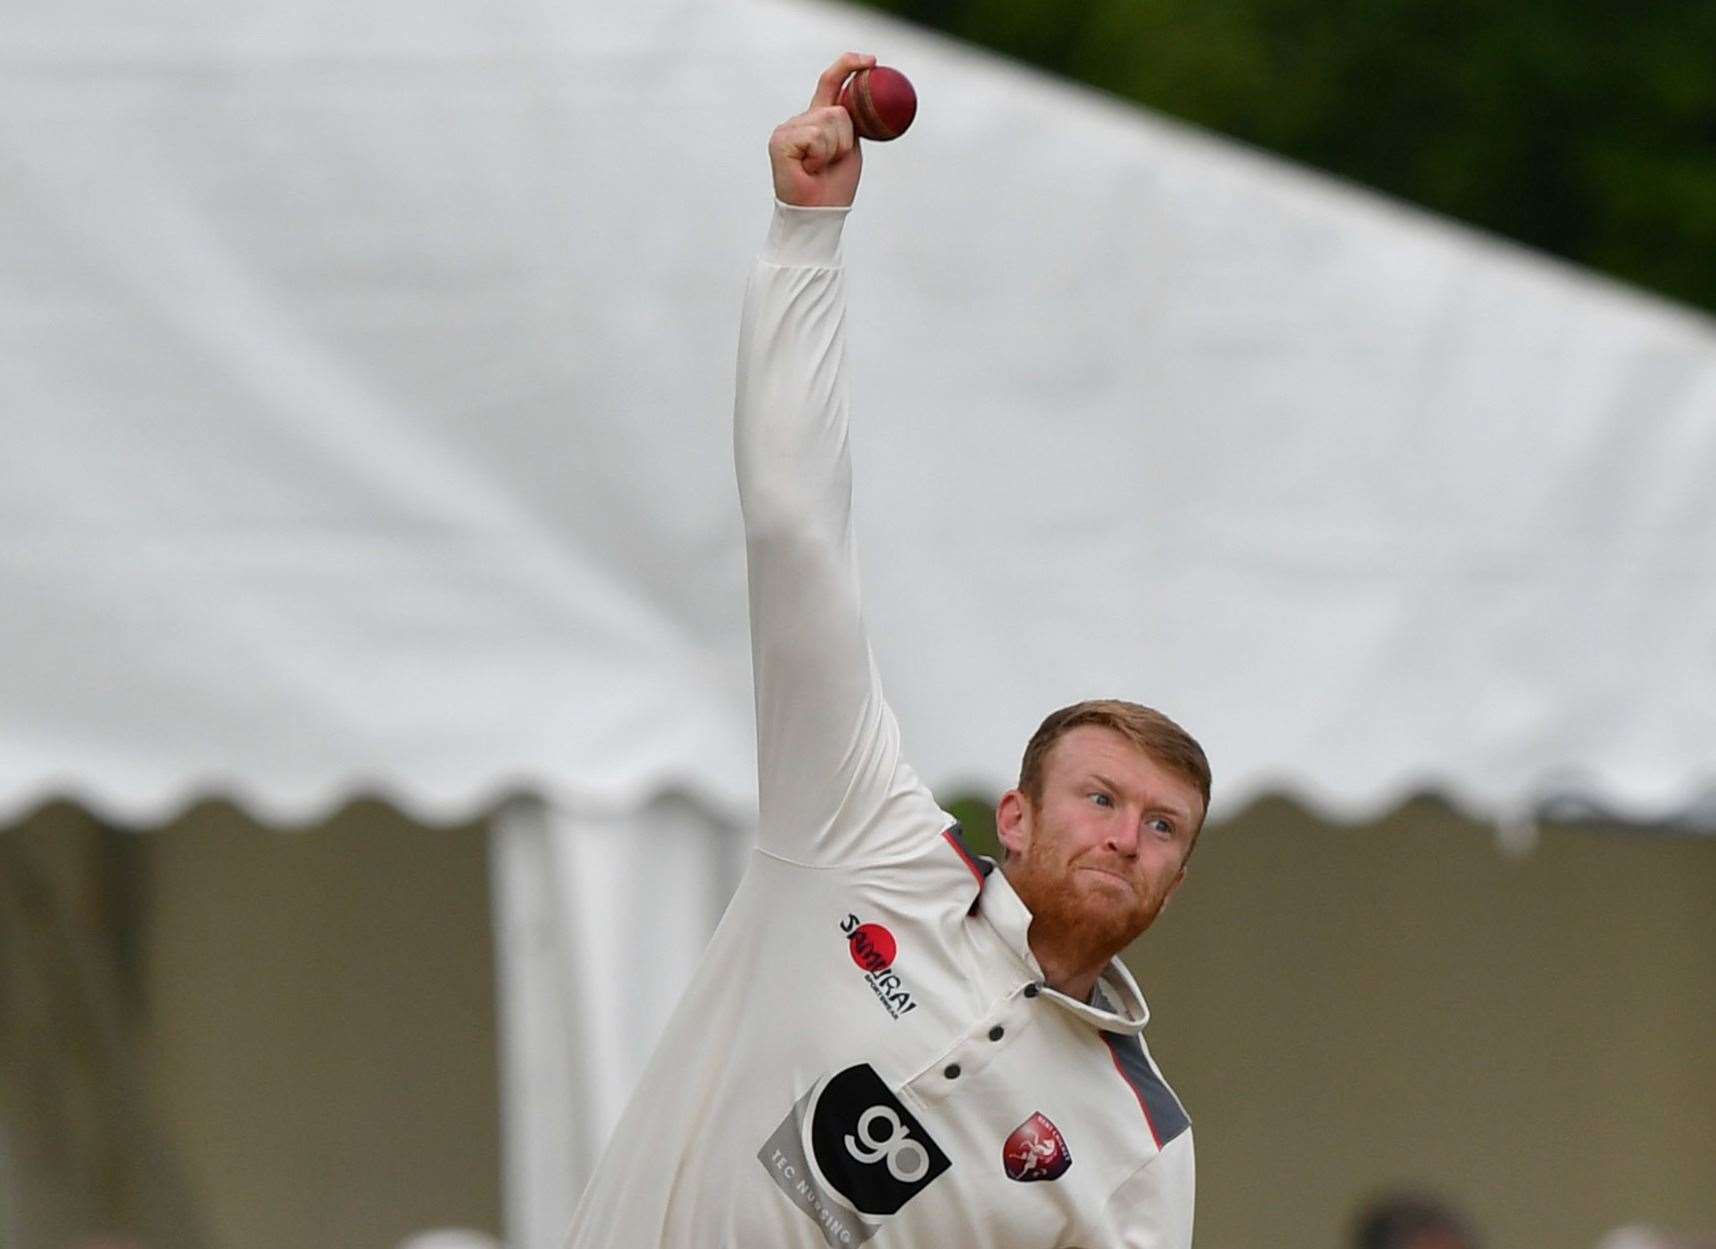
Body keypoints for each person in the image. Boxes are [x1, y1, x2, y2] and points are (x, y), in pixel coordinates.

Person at [562, 52, 1210, 1248]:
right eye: (1101, 797)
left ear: (1178, 881)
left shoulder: (1141, 1144)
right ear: (1013, 816)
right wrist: (805, 239)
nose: (1125, 834)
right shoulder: (860, 836)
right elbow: (794, 529)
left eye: (1162, 826)